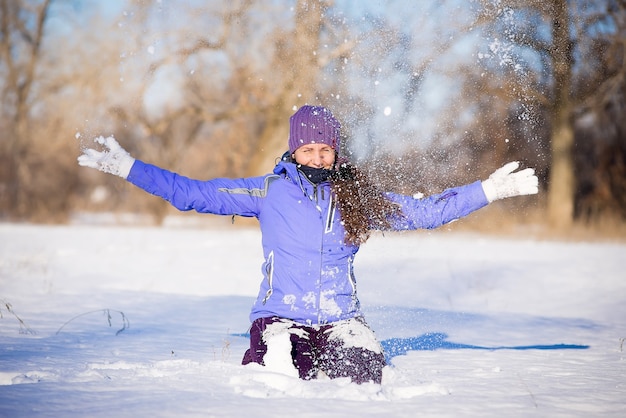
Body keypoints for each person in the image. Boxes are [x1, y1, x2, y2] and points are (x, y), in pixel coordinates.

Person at [78, 105, 538, 384]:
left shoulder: (357, 197)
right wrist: (131, 169)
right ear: (293, 151)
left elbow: (424, 211)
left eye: (325, 149)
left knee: (362, 378)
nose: (317, 157)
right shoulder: (268, 191)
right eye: (308, 149)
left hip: (341, 320)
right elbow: (194, 193)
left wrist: (487, 191)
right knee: (271, 373)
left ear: (336, 151)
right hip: (280, 317)